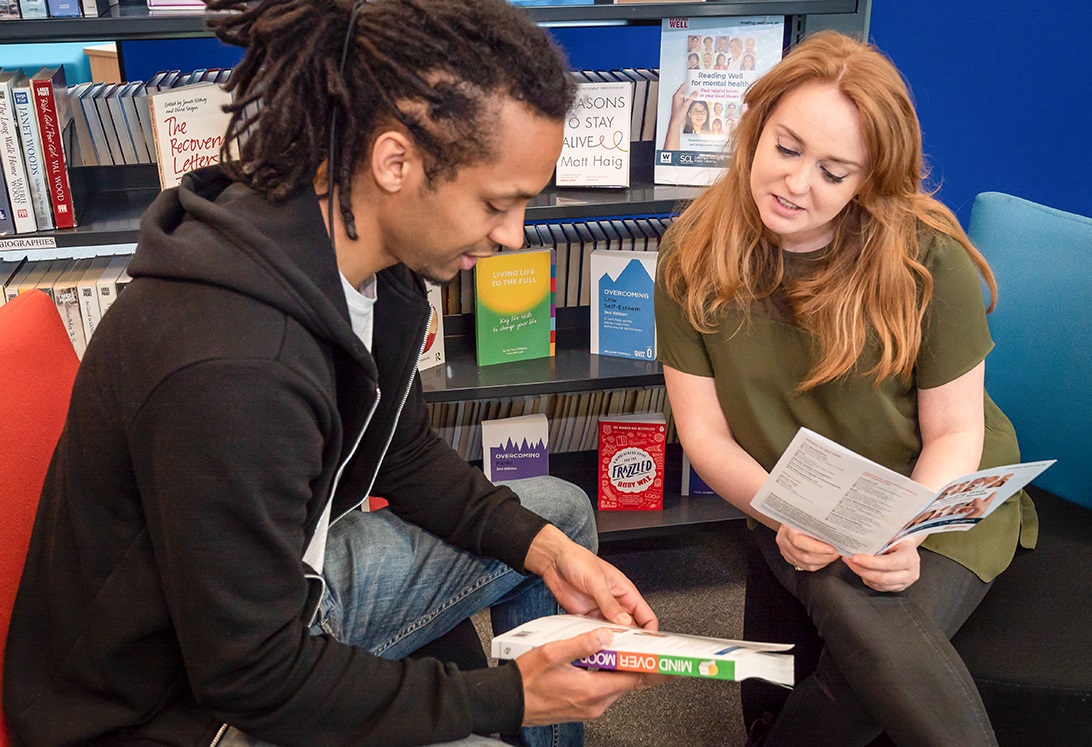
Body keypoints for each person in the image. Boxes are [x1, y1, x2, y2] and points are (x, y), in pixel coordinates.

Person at [3, 1, 663, 746]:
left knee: (560, 518)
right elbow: (251, 677)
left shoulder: (372, 252)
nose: (512, 236)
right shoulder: (235, 368)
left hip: (277, 593)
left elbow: (400, 451)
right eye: (496, 203)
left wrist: (544, 550)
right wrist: (510, 697)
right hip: (175, 709)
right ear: (394, 162)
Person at [655, 31, 1034, 746]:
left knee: (865, 639)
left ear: (870, 179)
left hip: (933, 494)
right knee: (854, 619)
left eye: (835, 171)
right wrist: (778, 508)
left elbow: (956, 432)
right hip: (795, 495)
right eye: (787, 148)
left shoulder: (928, 257)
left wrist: (907, 525)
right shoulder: (690, 252)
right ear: (755, 126)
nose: (797, 184)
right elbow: (703, 434)